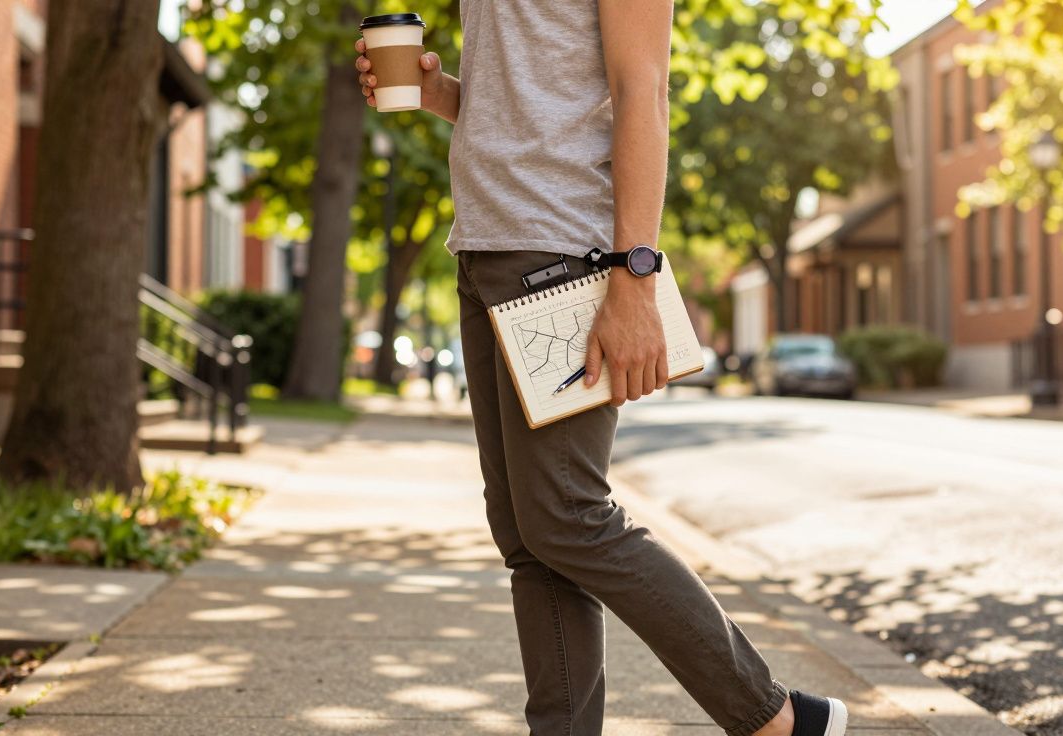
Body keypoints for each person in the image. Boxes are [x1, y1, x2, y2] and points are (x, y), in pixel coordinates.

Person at [356, 2, 847, 735]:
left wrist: (634, 274)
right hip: (486, 247)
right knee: (528, 536)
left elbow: (641, 87)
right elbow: (535, 107)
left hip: (562, 253)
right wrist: (438, 94)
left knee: (568, 515)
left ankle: (776, 718)